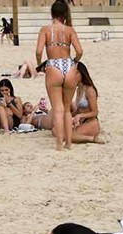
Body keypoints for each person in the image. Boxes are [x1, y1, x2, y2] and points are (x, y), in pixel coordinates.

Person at [36, 0, 83, 150]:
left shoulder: (45, 30)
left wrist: (40, 65)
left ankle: (58, 144)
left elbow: (38, 51)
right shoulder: (69, 30)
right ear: (64, 14)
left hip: (53, 65)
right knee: (67, 109)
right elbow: (80, 51)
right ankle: (68, 143)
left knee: (57, 108)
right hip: (68, 65)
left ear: (52, 13)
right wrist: (74, 62)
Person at [70, 62, 105, 144]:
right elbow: (79, 109)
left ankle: (92, 139)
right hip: (82, 121)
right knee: (56, 131)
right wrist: (70, 116)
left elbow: (95, 112)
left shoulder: (90, 90)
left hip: (91, 122)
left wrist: (80, 115)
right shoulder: (78, 89)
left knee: (69, 136)